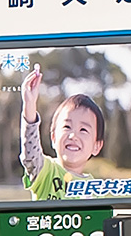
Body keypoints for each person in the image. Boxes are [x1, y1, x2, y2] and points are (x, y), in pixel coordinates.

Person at [18, 68, 106, 202]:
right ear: (53, 137)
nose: (73, 136)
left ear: (97, 146)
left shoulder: (95, 190)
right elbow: (30, 155)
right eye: (67, 127)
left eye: (83, 130)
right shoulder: (45, 170)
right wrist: (29, 105)